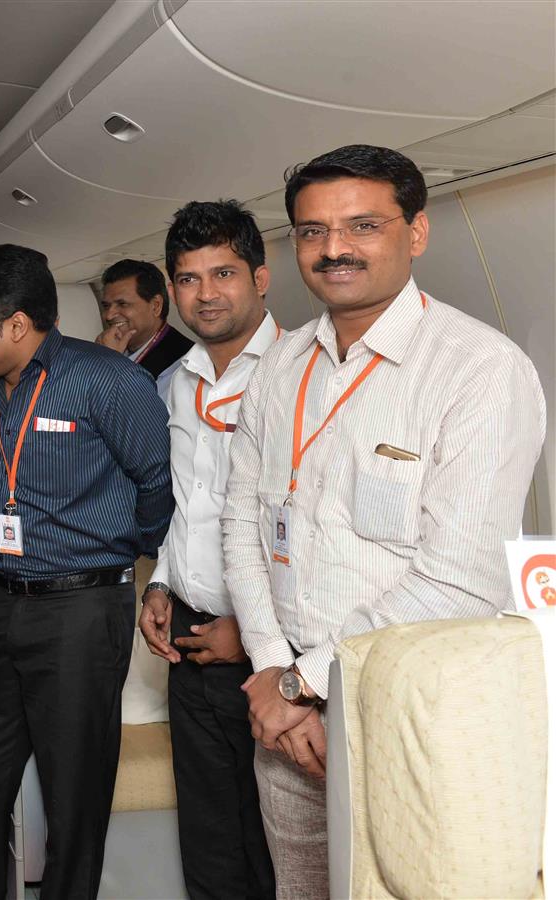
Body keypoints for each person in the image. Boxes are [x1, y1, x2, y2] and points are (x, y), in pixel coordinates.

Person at [223, 144, 547, 897]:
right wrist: (274, 670)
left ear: (418, 232)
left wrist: (300, 683)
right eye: (311, 231)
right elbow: (243, 522)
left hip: (401, 713)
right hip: (284, 716)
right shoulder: (282, 363)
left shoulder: (478, 369)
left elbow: (461, 577)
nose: (334, 248)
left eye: (363, 225)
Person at [0, 244, 173, 898]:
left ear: (16, 326)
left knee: (75, 791)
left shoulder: (108, 380)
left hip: (80, 609)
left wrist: (111, 557)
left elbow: (155, 484)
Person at [138, 200, 278, 900]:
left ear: (261, 277)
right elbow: (183, 508)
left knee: (278, 845)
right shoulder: (173, 382)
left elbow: (311, 535)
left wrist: (251, 637)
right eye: (189, 278)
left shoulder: (299, 376)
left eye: (223, 273)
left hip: (273, 657)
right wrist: (161, 584)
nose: (207, 293)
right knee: (210, 833)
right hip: (193, 639)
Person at [96, 258, 194, 397]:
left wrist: (109, 364)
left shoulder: (183, 367)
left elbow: (135, 415)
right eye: (106, 306)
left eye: (122, 304)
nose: (109, 316)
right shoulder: (113, 349)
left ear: (156, 306)